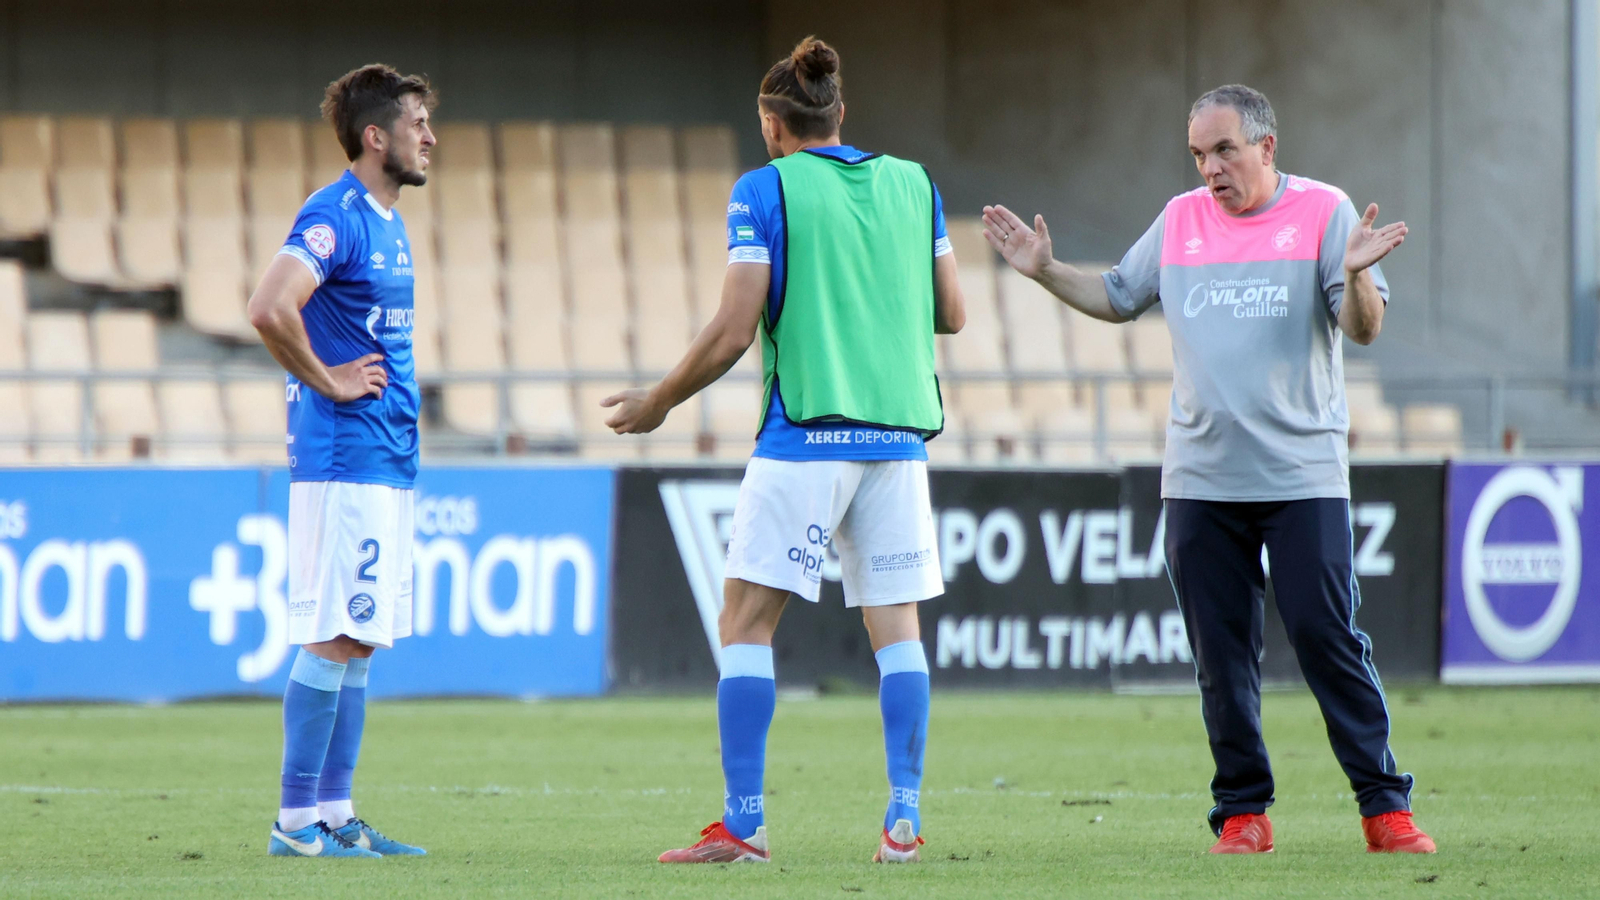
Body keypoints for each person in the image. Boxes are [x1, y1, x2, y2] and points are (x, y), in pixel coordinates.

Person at [982, 84, 1436, 855]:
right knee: (1221, 659)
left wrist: (1357, 274)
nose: (1210, 169)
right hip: (1200, 481)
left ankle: (1384, 809)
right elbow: (1120, 295)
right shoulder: (1180, 219)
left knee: (1328, 638)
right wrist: (1045, 271)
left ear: (1266, 146)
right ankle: (1241, 814)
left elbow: (1362, 331)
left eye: (1223, 150)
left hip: (1301, 477)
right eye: (1198, 154)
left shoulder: (1326, 212)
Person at [602, 36, 966, 864]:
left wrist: (658, 400)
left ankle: (744, 824)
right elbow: (952, 314)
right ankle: (902, 822)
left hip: (805, 436)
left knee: (745, 622)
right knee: (897, 629)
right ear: (842, 114)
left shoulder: (762, 189)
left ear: (773, 124)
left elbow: (735, 328)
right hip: (900, 440)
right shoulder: (915, 185)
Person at [246, 63, 436, 859]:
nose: (429, 136)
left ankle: (336, 813)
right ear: (375, 135)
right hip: (343, 455)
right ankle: (295, 824)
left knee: (360, 639)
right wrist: (324, 380)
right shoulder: (337, 215)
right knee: (332, 635)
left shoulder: (388, 222)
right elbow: (267, 305)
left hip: (385, 457)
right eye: (418, 122)